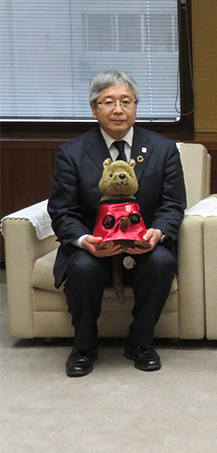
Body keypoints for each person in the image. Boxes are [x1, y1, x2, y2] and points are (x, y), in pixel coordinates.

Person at [48, 70, 187, 377]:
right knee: (82, 269)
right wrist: (85, 241)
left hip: (143, 242)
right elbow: (62, 211)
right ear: (94, 108)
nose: (118, 109)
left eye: (126, 101)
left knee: (162, 262)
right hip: (94, 245)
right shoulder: (72, 153)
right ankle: (84, 346)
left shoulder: (163, 149)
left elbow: (173, 203)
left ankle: (140, 342)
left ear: (136, 106)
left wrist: (158, 233)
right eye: (108, 102)